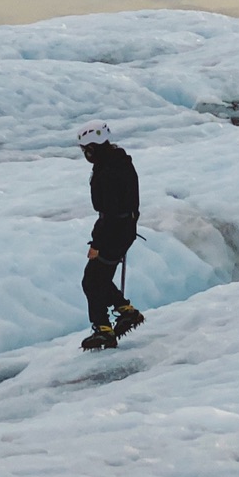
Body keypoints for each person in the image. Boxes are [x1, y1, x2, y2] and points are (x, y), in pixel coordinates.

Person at [77, 121, 145, 350]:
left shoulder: (106, 171)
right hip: (126, 228)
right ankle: (125, 311)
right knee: (99, 277)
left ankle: (103, 329)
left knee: (92, 280)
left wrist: (97, 242)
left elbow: (109, 211)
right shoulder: (121, 161)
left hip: (113, 232)